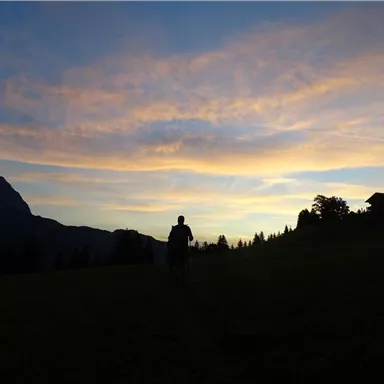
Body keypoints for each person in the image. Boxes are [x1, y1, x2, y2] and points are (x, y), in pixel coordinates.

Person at [167, 215, 194, 285]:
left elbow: (169, 238)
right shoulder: (186, 228)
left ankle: (177, 280)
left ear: (178, 220)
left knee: (177, 265)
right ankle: (181, 280)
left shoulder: (175, 228)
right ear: (183, 220)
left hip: (176, 249)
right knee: (182, 265)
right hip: (182, 249)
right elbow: (191, 237)